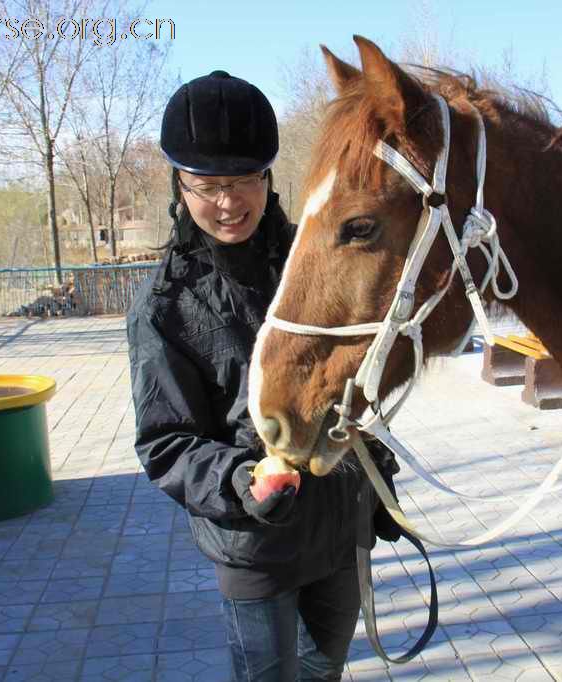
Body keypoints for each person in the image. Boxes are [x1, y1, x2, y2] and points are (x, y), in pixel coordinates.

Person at [126, 70, 401, 682]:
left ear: (267, 178)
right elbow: (165, 444)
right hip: (254, 544)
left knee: (323, 673)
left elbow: (349, 378)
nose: (229, 202)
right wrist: (241, 481)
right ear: (181, 183)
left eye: (245, 180)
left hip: (339, 527)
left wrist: (375, 471)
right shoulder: (164, 306)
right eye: (209, 185)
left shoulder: (316, 257)